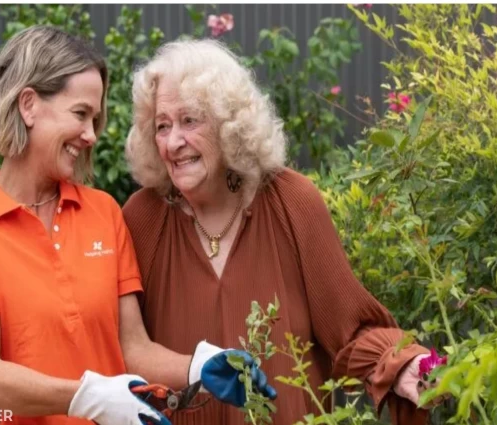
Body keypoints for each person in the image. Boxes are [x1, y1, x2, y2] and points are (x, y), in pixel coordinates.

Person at [0, 26, 276, 425]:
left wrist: (199, 365)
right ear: (28, 105)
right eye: (81, 114)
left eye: (95, 118)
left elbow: (132, 348)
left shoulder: (103, 213)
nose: (90, 134)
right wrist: (88, 397)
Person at [122, 38, 442, 425]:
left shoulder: (292, 203)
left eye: (190, 120)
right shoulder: (143, 219)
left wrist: (402, 364)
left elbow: (350, 329)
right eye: (162, 126)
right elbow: (124, 349)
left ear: (228, 123)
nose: (173, 142)